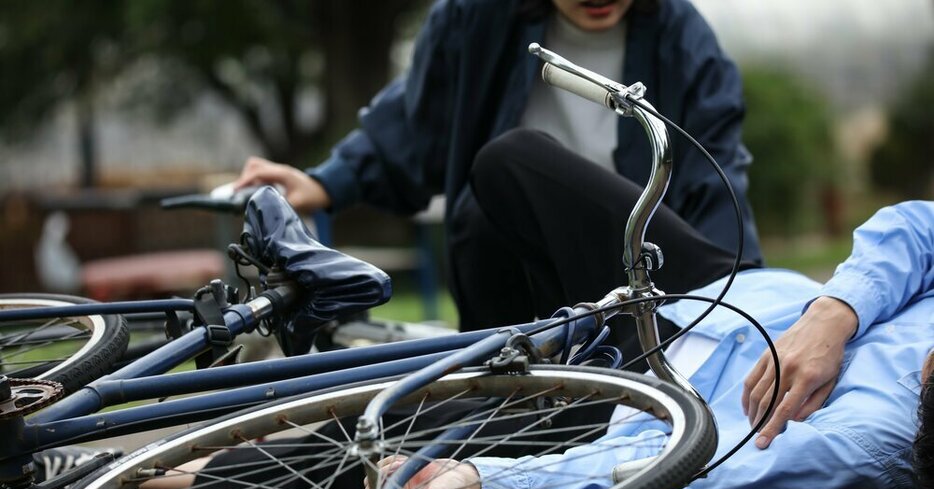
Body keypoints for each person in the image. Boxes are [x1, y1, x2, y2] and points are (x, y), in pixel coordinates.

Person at [232, 0, 763, 351]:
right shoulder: (476, 17)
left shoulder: (683, 38)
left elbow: (716, 174)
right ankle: (210, 470)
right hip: (514, 270)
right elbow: (419, 117)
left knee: (507, 158)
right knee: (486, 195)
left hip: (639, 268)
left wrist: (742, 308)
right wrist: (328, 183)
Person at [363, 200, 934, 489]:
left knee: (376, 442)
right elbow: (918, 227)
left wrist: (480, 479)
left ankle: (281, 424)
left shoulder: (873, 437)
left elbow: (688, 467)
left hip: (637, 402)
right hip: (717, 297)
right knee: (511, 168)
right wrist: (832, 315)